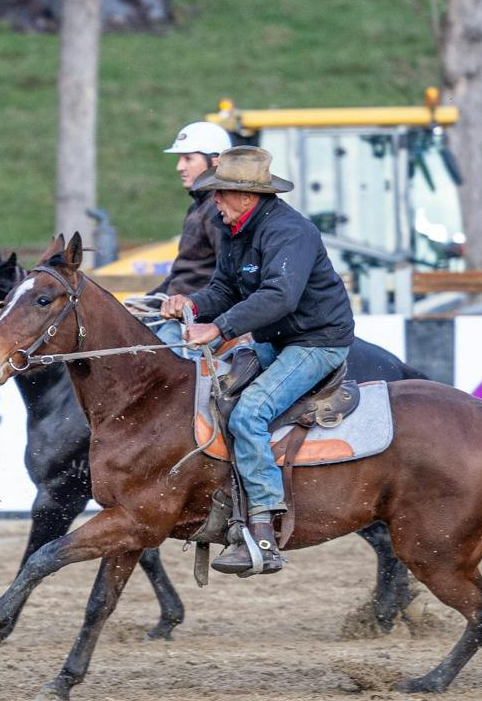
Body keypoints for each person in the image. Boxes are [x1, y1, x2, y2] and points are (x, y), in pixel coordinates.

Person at [158, 144, 354, 576]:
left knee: (248, 414)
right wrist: (190, 302)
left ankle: (262, 533)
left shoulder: (291, 231)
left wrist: (219, 328)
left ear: (246, 196)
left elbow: (280, 296)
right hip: (279, 340)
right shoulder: (235, 230)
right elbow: (225, 289)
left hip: (316, 342)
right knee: (216, 398)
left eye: (221, 193)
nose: (214, 201)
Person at [152, 120, 232, 354]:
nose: (179, 166)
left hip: (197, 318)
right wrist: (147, 301)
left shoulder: (218, 211)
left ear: (215, 162)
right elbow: (180, 274)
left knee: (158, 363)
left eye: (188, 158)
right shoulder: (197, 209)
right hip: (177, 311)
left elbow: (226, 277)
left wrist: (193, 305)